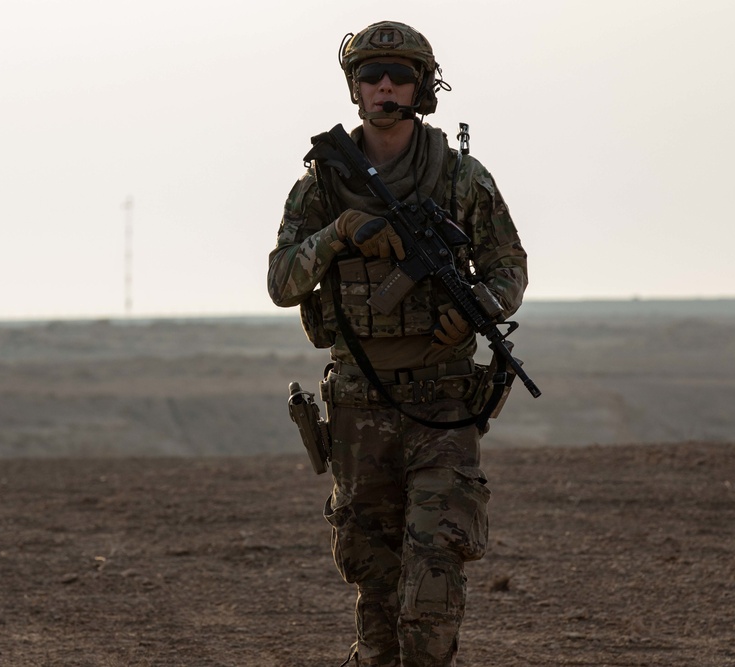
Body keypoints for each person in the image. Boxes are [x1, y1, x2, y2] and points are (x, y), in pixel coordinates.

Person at [267, 20, 528, 667]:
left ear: (422, 86)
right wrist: (340, 233)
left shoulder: (461, 179)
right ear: (353, 89)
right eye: (371, 76)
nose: (385, 86)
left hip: (442, 402)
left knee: (433, 577)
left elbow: (509, 268)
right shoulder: (323, 186)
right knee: (376, 591)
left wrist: (478, 313)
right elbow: (282, 279)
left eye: (400, 75)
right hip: (358, 406)